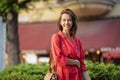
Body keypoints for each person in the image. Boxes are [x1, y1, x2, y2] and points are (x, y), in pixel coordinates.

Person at [51, 8, 91, 80]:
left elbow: (82, 64)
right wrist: (75, 62)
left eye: (69, 20)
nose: (66, 22)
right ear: (60, 22)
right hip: (62, 76)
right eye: (64, 20)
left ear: (72, 22)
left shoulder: (78, 41)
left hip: (76, 76)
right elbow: (58, 58)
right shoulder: (56, 37)